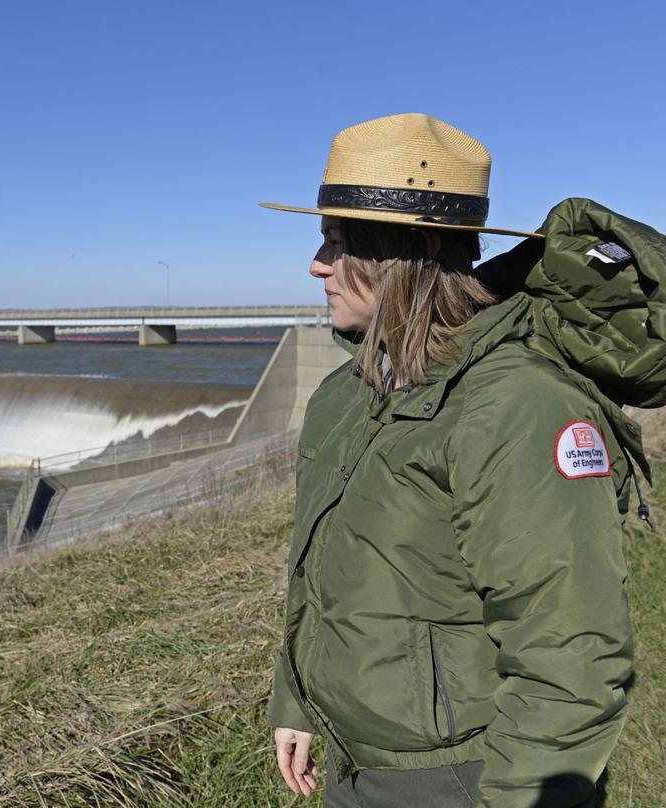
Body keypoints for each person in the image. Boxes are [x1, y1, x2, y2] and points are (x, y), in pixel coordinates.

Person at [258, 113, 665, 806]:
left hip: (462, 778)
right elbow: (323, 567)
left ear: (398, 254)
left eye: (335, 242)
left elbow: (570, 653)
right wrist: (296, 697)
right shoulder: (346, 393)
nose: (315, 264)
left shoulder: (517, 407)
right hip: (357, 760)